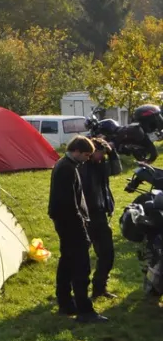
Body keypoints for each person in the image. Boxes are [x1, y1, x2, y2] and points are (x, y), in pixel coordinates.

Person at [48, 135, 107, 323]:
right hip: (71, 224)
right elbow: (69, 203)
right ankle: (85, 310)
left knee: (66, 262)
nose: (87, 158)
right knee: (81, 267)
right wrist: (82, 226)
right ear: (77, 151)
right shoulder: (67, 168)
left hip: (64, 222)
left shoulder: (64, 165)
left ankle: (65, 302)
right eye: (86, 155)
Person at [80, 137, 122, 299]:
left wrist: (112, 153)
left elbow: (116, 170)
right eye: (100, 153)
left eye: (104, 154)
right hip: (85, 215)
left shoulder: (101, 165)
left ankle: (99, 287)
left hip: (100, 214)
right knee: (80, 256)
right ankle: (76, 291)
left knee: (107, 253)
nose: (102, 157)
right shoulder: (82, 167)